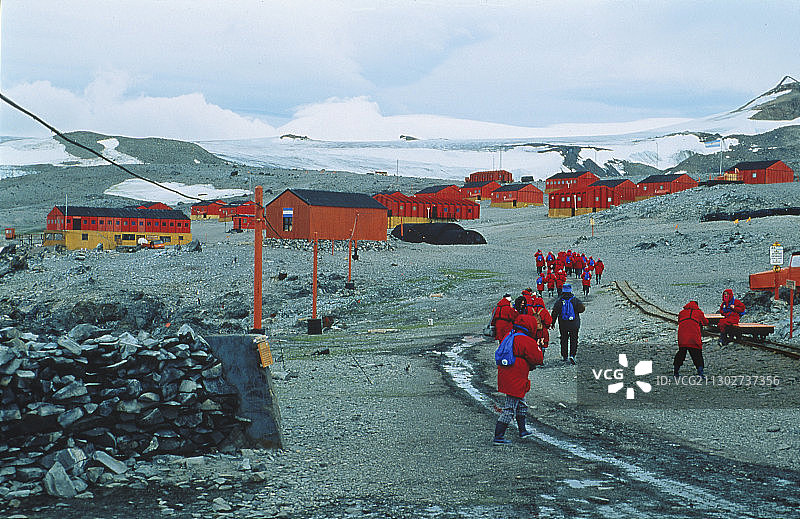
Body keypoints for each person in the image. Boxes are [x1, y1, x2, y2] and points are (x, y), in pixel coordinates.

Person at [493, 312, 544, 445]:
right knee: (510, 407)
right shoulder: (526, 340)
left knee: (521, 403)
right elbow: (538, 359)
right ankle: (498, 436)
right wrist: (539, 347)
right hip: (517, 377)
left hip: (507, 375)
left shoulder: (510, 336)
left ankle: (522, 431)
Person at [551, 284, 585, 364]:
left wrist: (552, 323)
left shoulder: (559, 301)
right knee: (574, 339)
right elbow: (582, 309)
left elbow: (554, 312)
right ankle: (572, 355)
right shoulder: (575, 300)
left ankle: (564, 355)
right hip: (574, 323)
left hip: (563, 324)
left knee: (563, 339)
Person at [674, 300, 709, 377]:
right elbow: (705, 322)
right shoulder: (699, 312)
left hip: (683, 336)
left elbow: (679, 321)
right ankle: (700, 371)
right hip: (694, 336)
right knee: (697, 354)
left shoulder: (682, 312)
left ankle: (676, 370)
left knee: (681, 353)